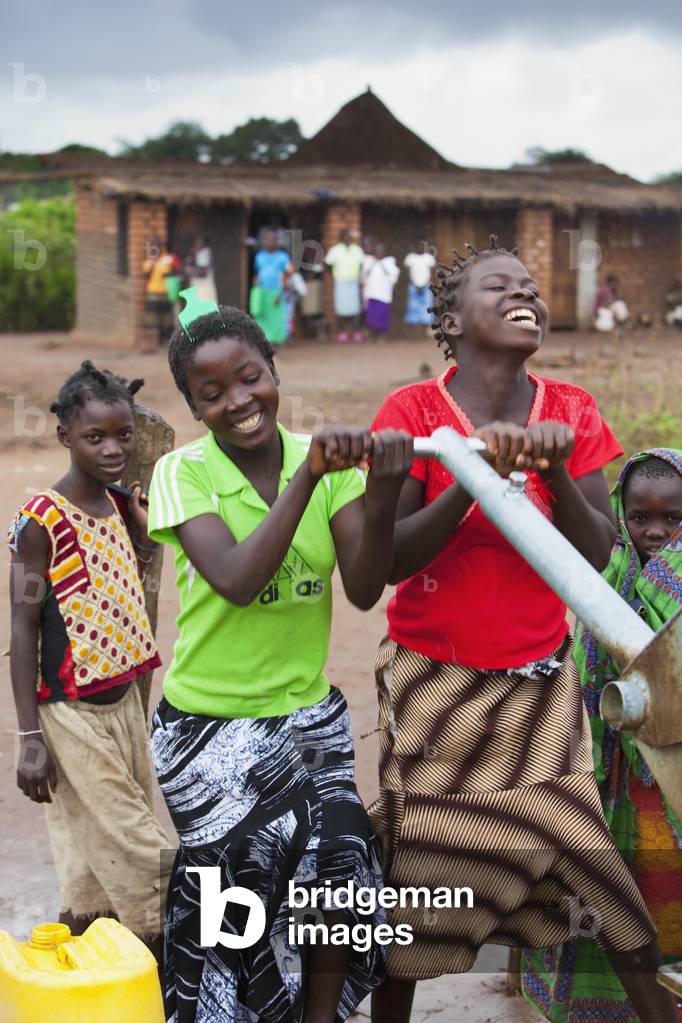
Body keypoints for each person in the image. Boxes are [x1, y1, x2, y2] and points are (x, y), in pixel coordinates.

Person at [366, 235, 678, 1023]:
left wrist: (548, 474)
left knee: (597, 879)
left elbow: (599, 547)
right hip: (436, 692)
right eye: (500, 286)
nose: (526, 295)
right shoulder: (413, 416)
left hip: (542, 691)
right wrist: (478, 481)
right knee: (422, 885)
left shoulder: (569, 411)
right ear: (450, 320)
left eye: (532, 287)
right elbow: (393, 562)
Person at [146, 303, 414, 1022]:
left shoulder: (324, 467)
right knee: (243, 880)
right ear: (193, 404)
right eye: (212, 393)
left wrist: (380, 487)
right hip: (205, 726)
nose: (238, 401)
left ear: (272, 372)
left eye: (250, 377)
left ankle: (321, 1015)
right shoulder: (181, 474)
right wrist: (308, 476)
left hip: (305, 718)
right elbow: (235, 578)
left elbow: (362, 588)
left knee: (344, 859)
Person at [7, 361, 170, 962]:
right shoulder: (38, 524)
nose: (112, 449)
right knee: (140, 848)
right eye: (94, 437)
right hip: (69, 716)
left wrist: (148, 527)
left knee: (91, 853)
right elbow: (23, 632)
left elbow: (137, 580)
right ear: (65, 438)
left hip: (124, 706)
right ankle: (174, 960)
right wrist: (29, 737)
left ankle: (90, 975)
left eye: (123, 435)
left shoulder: (125, 506)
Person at [522, 447, 682, 1023]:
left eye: (673, 520)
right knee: (607, 887)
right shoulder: (606, 570)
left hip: (669, 777)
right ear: (621, 515)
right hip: (607, 765)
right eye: (640, 519)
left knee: (665, 890)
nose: (656, 531)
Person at [251, 228, 291, 344]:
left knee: (277, 322)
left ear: (277, 241)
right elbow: (257, 274)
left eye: (273, 240)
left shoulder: (283, 257)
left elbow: (287, 275)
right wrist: (256, 290)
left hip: (276, 292)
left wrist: (281, 293)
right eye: (268, 239)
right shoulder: (259, 256)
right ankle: (265, 346)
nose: (270, 242)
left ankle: (277, 349)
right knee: (262, 318)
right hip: (262, 292)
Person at [325, 229, 365, 343]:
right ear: (341, 238)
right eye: (345, 237)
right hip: (340, 282)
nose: (348, 239)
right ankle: (342, 333)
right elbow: (327, 265)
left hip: (354, 282)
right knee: (340, 309)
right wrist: (334, 275)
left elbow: (362, 264)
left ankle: (357, 332)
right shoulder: (335, 250)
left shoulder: (357, 250)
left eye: (349, 237)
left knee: (356, 309)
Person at [363, 243, 400, 340]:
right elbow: (364, 276)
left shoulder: (389, 262)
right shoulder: (369, 261)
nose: (378, 252)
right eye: (377, 250)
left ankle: (382, 336)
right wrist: (374, 262)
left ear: (384, 252)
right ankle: (373, 335)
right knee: (372, 317)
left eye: (380, 250)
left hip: (384, 295)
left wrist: (381, 264)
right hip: (372, 294)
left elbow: (393, 277)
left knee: (382, 317)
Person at [142, 239, 176, 346]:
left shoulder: (168, 259)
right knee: (153, 320)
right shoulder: (148, 261)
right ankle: (155, 343)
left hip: (166, 293)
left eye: (158, 246)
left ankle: (167, 341)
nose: (156, 249)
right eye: (154, 246)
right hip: (153, 294)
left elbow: (175, 271)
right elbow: (146, 275)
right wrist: (153, 262)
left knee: (167, 319)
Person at [404, 243, 436, 331]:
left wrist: (424, 285)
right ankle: (413, 331)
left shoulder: (429, 258)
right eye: (418, 246)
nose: (420, 248)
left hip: (426, 286)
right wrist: (415, 285)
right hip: (413, 286)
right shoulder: (410, 257)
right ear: (415, 247)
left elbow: (432, 272)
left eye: (422, 246)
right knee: (412, 308)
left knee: (427, 308)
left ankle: (425, 330)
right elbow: (407, 272)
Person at [187, 236, 218, 304]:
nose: (196, 245)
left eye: (199, 243)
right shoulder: (197, 253)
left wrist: (191, 270)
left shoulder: (204, 253)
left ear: (204, 244)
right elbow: (188, 263)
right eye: (196, 243)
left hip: (203, 289)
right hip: (200, 288)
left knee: (205, 310)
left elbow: (203, 272)